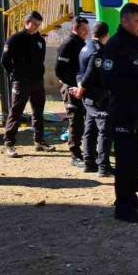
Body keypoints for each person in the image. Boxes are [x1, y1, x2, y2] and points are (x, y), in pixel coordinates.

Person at [102, 3, 138, 223]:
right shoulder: (115, 46)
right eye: (137, 21)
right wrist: (134, 93)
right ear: (125, 21)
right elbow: (108, 80)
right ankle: (122, 206)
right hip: (124, 111)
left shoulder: (134, 45)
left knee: (135, 157)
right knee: (125, 159)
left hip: (137, 112)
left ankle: (131, 195)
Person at [1, 11, 52, 157]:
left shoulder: (40, 40)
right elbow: (5, 60)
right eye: (34, 24)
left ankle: (39, 141)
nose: (37, 27)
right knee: (16, 112)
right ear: (26, 23)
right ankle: (9, 144)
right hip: (21, 82)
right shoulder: (15, 39)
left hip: (37, 81)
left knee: (38, 112)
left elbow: (40, 60)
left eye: (38, 25)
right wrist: (14, 74)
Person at [77, 21, 113, 176]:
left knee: (90, 129)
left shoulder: (85, 47)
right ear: (107, 35)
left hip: (89, 98)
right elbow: (89, 76)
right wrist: (81, 90)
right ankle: (103, 166)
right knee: (105, 130)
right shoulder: (98, 51)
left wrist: (80, 89)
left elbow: (79, 73)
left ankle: (89, 162)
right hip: (97, 97)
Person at [55, 16, 89, 168]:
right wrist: (71, 85)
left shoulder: (82, 44)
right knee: (75, 122)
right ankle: (75, 155)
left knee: (83, 122)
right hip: (72, 89)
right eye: (83, 30)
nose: (85, 33)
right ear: (75, 28)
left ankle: (85, 151)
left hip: (81, 89)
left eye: (87, 31)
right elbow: (58, 70)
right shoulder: (68, 44)